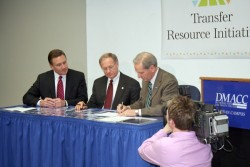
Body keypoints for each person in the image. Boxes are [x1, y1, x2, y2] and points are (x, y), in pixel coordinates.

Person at [138, 95, 213, 167]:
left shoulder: (164, 145)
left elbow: (142, 150)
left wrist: (164, 130)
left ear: (171, 122)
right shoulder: (206, 145)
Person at [117, 51, 178, 116]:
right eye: (137, 72)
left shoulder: (169, 81)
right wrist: (128, 108)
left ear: (152, 68)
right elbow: (142, 102)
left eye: (141, 73)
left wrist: (137, 112)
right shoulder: (146, 79)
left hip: (161, 122)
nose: (138, 76)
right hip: (146, 120)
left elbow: (166, 107)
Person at [23, 49, 88, 108]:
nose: (63, 67)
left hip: (71, 118)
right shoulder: (43, 78)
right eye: (59, 65)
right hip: (50, 118)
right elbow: (27, 97)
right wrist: (41, 102)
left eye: (64, 62)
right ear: (52, 66)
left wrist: (65, 103)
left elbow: (83, 99)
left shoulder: (78, 76)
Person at [75, 53, 141, 110]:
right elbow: (93, 103)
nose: (108, 71)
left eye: (110, 67)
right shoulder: (98, 82)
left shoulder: (132, 84)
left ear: (117, 64)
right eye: (105, 68)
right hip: (100, 120)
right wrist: (84, 105)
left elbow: (135, 108)